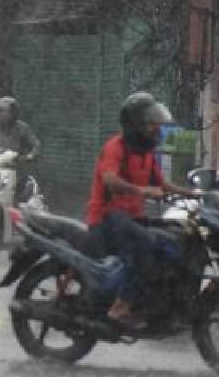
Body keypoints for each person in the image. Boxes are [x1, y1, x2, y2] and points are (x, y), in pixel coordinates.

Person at [84, 92, 198, 329]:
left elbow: (162, 185)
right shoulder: (115, 148)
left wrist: (194, 194)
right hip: (106, 218)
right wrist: (142, 191)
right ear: (135, 124)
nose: (156, 129)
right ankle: (121, 306)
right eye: (150, 123)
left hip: (131, 218)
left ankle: (155, 303)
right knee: (145, 247)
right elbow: (109, 180)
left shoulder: (145, 153)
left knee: (173, 240)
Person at [0, 96, 41, 203]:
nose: (0, 114)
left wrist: (30, 156)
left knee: (21, 197)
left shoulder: (22, 128)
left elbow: (36, 144)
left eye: (4, 111)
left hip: (15, 170)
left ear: (14, 113)